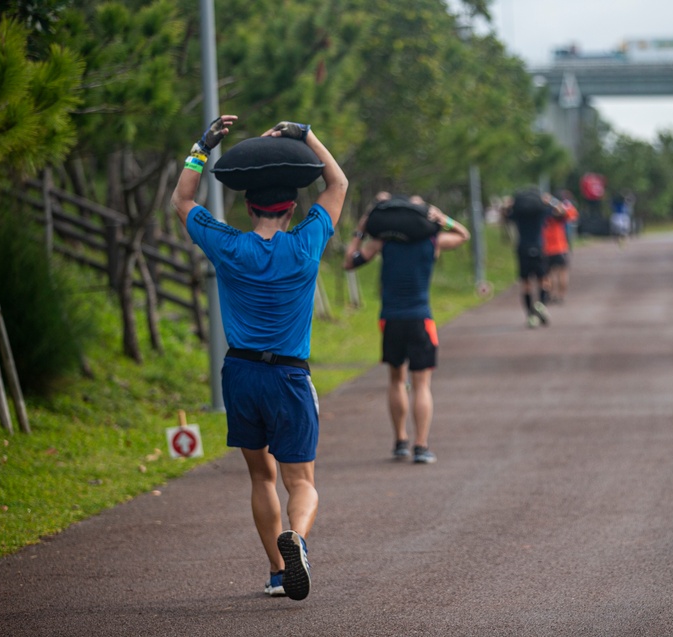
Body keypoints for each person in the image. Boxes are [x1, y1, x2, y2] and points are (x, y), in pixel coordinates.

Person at [171, 116, 348, 602]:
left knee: (261, 475)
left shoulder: (228, 246)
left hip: (241, 374)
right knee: (301, 481)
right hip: (290, 376)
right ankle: (299, 540)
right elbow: (338, 182)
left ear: (248, 206)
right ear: (293, 207)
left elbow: (182, 201)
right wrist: (305, 133)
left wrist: (201, 146)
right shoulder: (307, 244)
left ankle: (276, 570)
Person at [343, 193, 470, 464]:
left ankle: (400, 441)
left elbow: (349, 261)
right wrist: (443, 218)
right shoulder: (432, 242)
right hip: (420, 319)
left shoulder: (382, 241)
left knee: (397, 380)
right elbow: (463, 235)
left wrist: (361, 229)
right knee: (422, 385)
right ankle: (421, 446)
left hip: (390, 319)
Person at [504, 187, 565, 328]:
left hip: (522, 248)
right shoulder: (541, 212)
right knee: (544, 279)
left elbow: (506, 215)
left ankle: (530, 315)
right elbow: (560, 211)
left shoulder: (518, 213)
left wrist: (510, 204)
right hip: (539, 247)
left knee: (525, 283)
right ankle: (541, 305)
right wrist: (550, 201)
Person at [543, 192, 578, 304]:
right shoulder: (559, 213)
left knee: (548, 274)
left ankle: (549, 295)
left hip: (546, 248)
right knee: (562, 273)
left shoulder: (543, 213)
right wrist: (555, 202)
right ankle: (560, 296)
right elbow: (572, 214)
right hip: (560, 248)